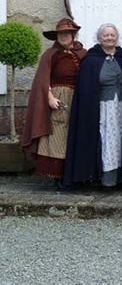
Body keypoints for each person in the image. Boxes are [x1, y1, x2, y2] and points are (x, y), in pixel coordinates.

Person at [20, 18, 87, 186]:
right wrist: (49, 97)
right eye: (60, 33)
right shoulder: (50, 55)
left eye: (66, 33)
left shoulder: (83, 53)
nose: (63, 36)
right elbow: (42, 80)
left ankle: (76, 173)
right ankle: (59, 175)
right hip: (58, 97)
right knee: (58, 134)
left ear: (73, 35)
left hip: (78, 97)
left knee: (77, 133)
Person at [64, 24, 122, 187]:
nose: (109, 38)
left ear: (117, 37)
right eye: (105, 35)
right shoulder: (91, 60)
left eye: (112, 35)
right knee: (106, 140)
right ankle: (106, 178)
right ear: (99, 38)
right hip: (101, 107)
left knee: (121, 139)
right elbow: (86, 88)